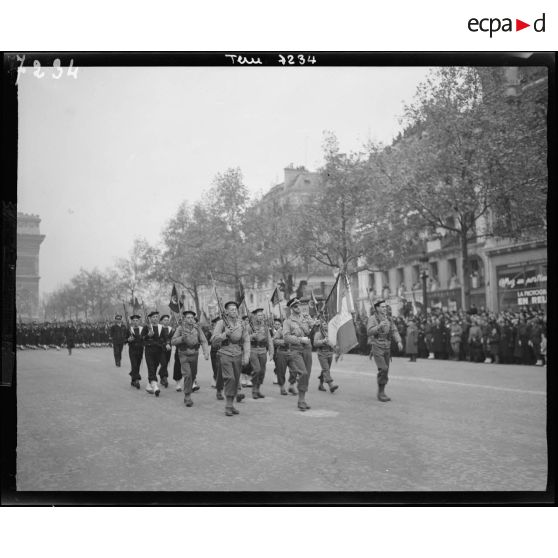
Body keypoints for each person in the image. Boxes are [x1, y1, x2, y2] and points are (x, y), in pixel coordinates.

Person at [210, 301, 251, 417]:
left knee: (236, 380)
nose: (234, 311)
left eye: (235, 309)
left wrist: (246, 356)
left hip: (237, 354)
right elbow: (213, 341)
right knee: (230, 379)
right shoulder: (221, 323)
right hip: (224, 353)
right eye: (231, 309)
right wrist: (224, 335)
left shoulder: (242, 324)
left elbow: (246, 340)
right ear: (226, 311)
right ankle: (228, 406)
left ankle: (232, 405)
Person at [171, 310, 210, 407]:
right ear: (184, 318)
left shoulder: (197, 328)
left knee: (193, 374)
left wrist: (206, 352)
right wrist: (182, 339)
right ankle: (187, 396)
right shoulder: (180, 328)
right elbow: (173, 341)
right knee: (187, 375)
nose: (190, 319)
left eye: (192, 317)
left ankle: (189, 389)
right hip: (183, 354)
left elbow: (204, 341)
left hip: (194, 354)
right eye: (188, 317)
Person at [367, 299, 403, 402]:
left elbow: (394, 330)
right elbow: (369, 332)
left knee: (386, 370)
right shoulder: (372, 319)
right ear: (377, 308)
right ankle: (381, 393)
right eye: (382, 307)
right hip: (377, 345)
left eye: (385, 307)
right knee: (383, 368)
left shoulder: (389, 319)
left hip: (387, 346)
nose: (384, 308)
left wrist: (399, 341)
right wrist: (378, 327)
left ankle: (382, 390)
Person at [282, 297, 314, 411]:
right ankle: (301, 400)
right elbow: (286, 337)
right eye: (295, 306)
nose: (298, 308)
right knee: (303, 373)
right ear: (291, 308)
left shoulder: (305, 317)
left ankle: (303, 399)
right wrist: (300, 340)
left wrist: (316, 322)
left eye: (299, 305)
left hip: (307, 349)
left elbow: (314, 326)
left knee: (307, 375)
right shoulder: (287, 322)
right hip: (296, 350)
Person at [247, 308, 274, 399]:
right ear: (254, 316)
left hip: (263, 350)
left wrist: (271, 352)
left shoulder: (265, 327)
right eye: (259, 315)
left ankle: (258, 389)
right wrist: (251, 336)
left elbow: (269, 340)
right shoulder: (249, 326)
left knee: (262, 372)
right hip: (253, 350)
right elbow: (244, 339)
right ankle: (254, 389)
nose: (261, 317)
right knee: (257, 370)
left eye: (262, 315)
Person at [312, 317, 339, 393]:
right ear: (321, 325)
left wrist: (336, 349)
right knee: (326, 369)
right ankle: (331, 385)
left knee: (325, 370)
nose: (325, 325)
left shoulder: (331, 333)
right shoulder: (318, 333)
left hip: (330, 353)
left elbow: (334, 343)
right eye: (324, 324)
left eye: (326, 324)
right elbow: (315, 343)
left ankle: (320, 385)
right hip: (322, 353)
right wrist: (323, 341)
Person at [141, 311, 163, 396]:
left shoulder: (161, 327)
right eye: (153, 317)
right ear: (150, 318)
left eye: (157, 317)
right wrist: (148, 336)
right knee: (151, 367)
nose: (155, 318)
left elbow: (164, 338)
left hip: (158, 350)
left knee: (155, 367)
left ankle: (149, 385)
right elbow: (141, 338)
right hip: (149, 350)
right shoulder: (146, 327)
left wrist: (166, 344)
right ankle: (155, 386)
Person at [127, 314, 143, 389]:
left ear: (139, 321)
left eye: (137, 321)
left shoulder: (142, 329)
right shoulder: (129, 329)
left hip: (140, 349)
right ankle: (136, 380)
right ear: (132, 321)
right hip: (132, 349)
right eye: (134, 321)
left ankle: (133, 379)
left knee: (138, 364)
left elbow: (145, 338)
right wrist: (128, 340)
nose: (135, 322)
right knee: (134, 364)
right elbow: (124, 339)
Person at [157, 314, 173, 388]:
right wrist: (165, 344)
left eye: (167, 320)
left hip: (169, 348)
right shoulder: (159, 328)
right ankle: (164, 378)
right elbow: (159, 339)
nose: (166, 321)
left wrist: (170, 343)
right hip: (160, 349)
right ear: (161, 321)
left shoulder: (170, 329)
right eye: (165, 320)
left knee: (166, 363)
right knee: (163, 363)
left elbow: (172, 338)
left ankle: (162, 376)